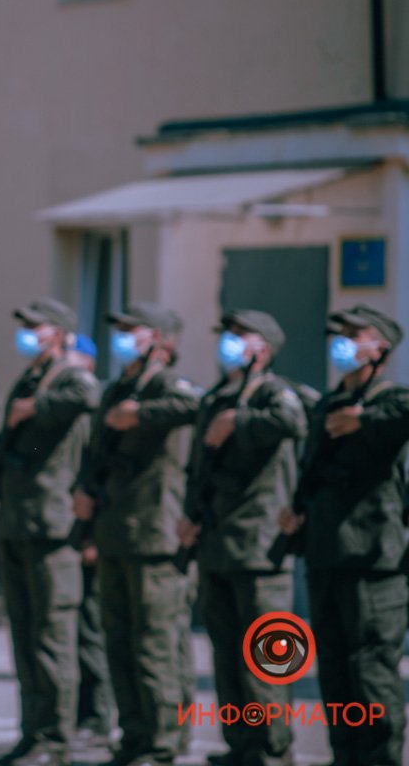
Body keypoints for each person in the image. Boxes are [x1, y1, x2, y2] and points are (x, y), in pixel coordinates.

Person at [278, 304, 409, 766]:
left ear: (381, 348)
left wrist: (364, 420)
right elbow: (312, 470)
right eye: (342, 334)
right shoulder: (328, 403)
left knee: (371, 670)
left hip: (373, 561)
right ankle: (345, 757)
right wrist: (297, 512)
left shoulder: (392, 400)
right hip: (326, 553)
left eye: (357, 334)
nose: (345, 342)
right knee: (334, 671)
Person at [73, 302, 200, 766]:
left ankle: (163, 741)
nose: (123, 337)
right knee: (120, 643)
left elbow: (192, 405)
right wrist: (85, 497)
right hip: (114, 531)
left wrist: (140, 414)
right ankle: (133, 735)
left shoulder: (167, 385)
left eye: (133, 330)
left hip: (154, 533)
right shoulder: (118, 388)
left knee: (156, 645)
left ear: (159, 340)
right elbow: (95, 454)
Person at [176, 310, 305, 766]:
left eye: (239, 336)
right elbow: (198, 468)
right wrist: (189, 516)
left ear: (262, 350)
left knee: (266, 655)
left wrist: (239, 421)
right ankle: (241, 744)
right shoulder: (217, 397)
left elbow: (292, 421)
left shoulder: (276, 393)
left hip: (259, 544)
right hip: (216, 540)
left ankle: (272, 748)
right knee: (227, 653)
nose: (228, 343)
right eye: (227, 335)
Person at [0, 299, 100, 766]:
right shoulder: (32, 376)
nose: (28, 333)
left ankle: (55, 741)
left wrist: (35, 407)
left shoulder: (69, 375)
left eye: (37, 326)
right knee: (26, 638)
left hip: (52, 528)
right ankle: (33, 734)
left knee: (52, 639)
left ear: (60, 333)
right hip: (17, 521)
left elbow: (88, 395)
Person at [67, 335, 115, 748]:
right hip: (77, 534)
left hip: (93, 536)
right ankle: (88, 714)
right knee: (82, 630)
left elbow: (96, 477)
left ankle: (98, 717)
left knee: (93, 631)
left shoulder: (89, 409)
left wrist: (93, 536)